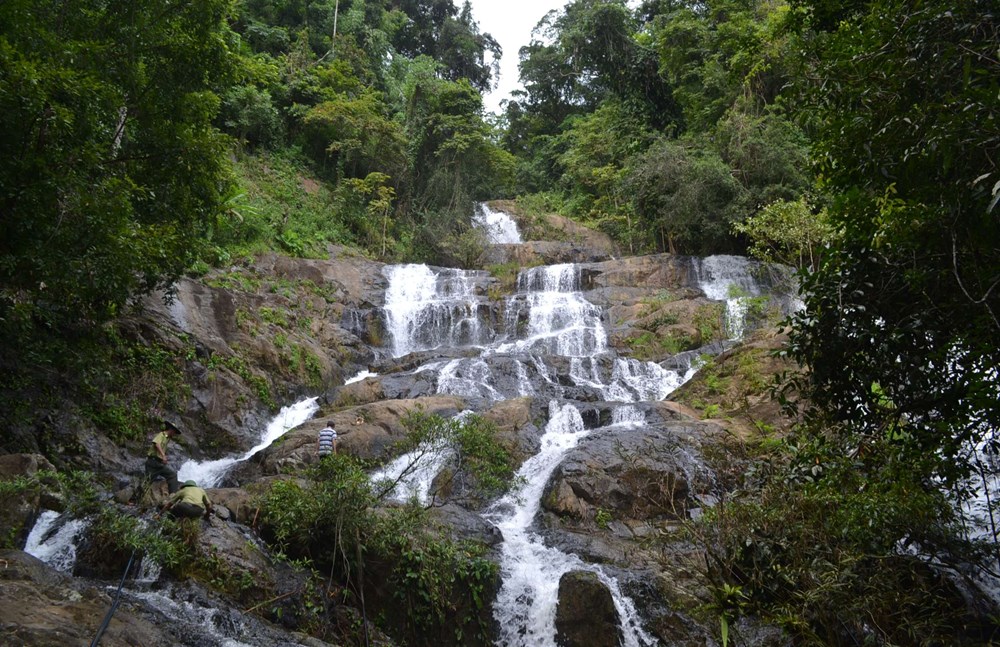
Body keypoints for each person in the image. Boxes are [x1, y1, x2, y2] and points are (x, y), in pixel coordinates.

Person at [145, 422, 180, 493]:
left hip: (158, 463)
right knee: (147, 481)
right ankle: (133, 499)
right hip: (153, 462)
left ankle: (172, 496)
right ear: (171, 430)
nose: (174, 434)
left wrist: (163, 459)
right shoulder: (162, 434)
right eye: (174, 432)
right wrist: (163, 456)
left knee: (172, 475)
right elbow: (156, 444)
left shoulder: (167, 438)